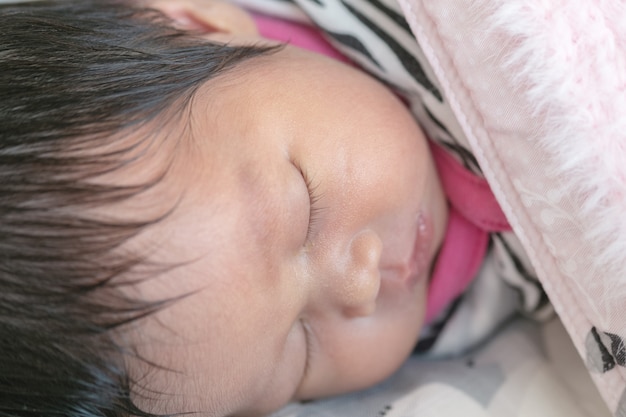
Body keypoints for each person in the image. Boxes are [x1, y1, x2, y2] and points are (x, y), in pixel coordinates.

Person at [0, 1, 548, 416]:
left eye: (305, 211)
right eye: (299, 350)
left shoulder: (414, 25)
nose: (360, 289)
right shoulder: (452, 337)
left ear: (204, 25)